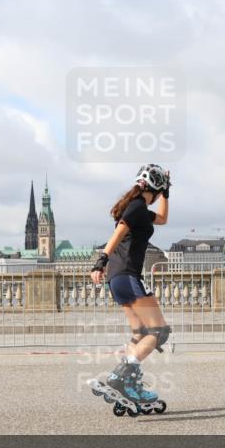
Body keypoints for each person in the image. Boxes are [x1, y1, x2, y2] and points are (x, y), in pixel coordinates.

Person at [90, 164, 172, 405]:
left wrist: (166, 194)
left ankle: (128, 384)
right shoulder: (136, 207)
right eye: (161, 192)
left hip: (117, 279)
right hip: (127, 274)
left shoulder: (139, 208)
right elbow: (119, 231)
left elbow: (164, 219)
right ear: (155, 189)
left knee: (140, 334)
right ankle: (121, 377)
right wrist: (100, 260)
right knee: (159, 332)